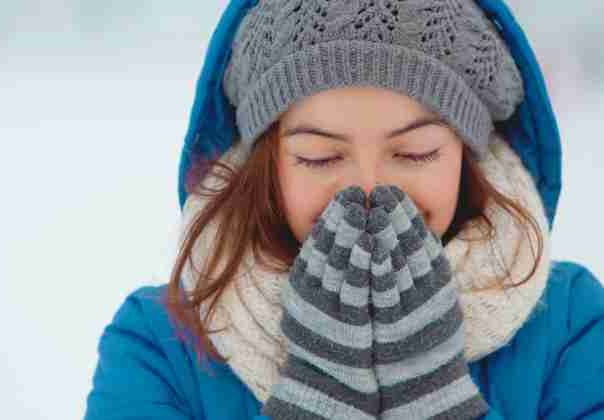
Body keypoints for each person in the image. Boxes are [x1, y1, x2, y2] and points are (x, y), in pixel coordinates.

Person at [83, 0, 604, 419]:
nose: (370, 190)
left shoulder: (570, 325)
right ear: (268, 166)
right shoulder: (159, 344)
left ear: (466, 156)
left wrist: (434, 399)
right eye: (320, 156)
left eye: (415, 152)